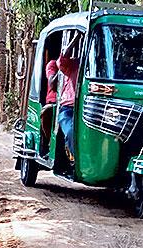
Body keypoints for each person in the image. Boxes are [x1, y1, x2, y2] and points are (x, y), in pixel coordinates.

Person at [57, 34, 82, 163]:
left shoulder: (101, 67)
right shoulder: (72, 64)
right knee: (72, 131)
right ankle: (75, 160)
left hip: (88, 110)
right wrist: (75, 39)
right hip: (68, 109)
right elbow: (61, 60)